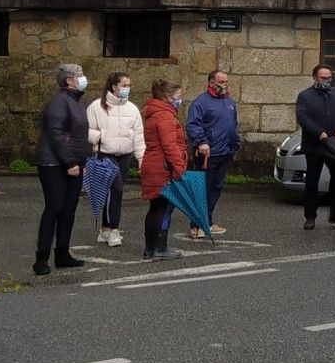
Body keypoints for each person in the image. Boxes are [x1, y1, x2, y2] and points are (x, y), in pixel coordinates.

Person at [33, 63, 92, 276]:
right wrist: (70, 162)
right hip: (54, 164)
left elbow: (76, 135)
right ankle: (41, 257)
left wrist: (79, 161)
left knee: (69, 209)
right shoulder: (59, 102)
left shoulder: (76, 102)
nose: (84, 78)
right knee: (55, 207)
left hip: (73, 163)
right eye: (80, 75)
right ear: (69, 80)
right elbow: (56, 134)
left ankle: (62, 253)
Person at [86, 72, 145, 247]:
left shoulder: (132, 109)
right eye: (124, 85)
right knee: (117, 190)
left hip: (125, 155)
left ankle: (104, 228)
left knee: (113, 192)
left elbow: (139, 135)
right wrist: (99, 136)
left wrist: (141, 157)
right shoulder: (97, 106)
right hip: (105, 154)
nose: (127, 89)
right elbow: (85, 129)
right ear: (114, 86)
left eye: (129, 85)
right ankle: (113, 229)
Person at [295, 64, 335, 230]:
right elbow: (303, 117)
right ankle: (310, 216)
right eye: (323, 78)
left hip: (334, 145)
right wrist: (318, 132)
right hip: (315, 145)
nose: (327, 81)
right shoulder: (305, 96)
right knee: (312, 181)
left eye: (329, 78)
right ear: (315, 77)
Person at [185, 70, 239, 239]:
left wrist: (236, 141)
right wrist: (201, 142)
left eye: (226, 81)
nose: (224, 84)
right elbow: (193, 125)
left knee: (216, 188)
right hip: (208, 153)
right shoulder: (200, 103)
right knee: (203, 189)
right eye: (221, 81)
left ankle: (207, 221)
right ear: (211, 83)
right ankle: (196, 225)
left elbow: (233, 123)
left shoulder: (229, 101)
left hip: (225, 151)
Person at [139, 79, 186, 260]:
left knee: (155, 208)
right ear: (167, 97)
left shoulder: (154, 113)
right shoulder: (166, 116)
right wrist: (180, 168)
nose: (180, 100)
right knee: (163, 209)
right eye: (178, 97)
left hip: (152, 163)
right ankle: (160, 248)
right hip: (163, 167)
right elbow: (170, 146)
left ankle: (150, 248)